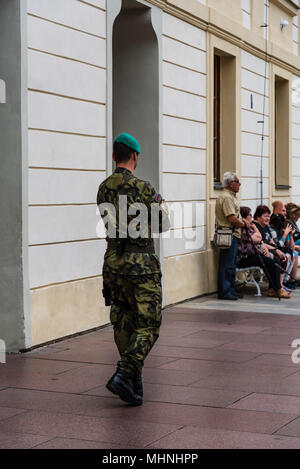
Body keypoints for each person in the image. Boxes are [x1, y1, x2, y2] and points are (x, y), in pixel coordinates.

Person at [97, 132, 170, 406]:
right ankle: (126, 372)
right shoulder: (144, 188)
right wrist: (160, 205)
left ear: (114, 155)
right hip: (141, 265)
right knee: (148, 324)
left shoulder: (103, 187)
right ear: (135, 156)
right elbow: (161, 225)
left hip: (113, 263)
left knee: (124, 319)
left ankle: (133, 384)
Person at [237, 207, 288, 298]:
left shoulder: (249, 227)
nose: (251, 217)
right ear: (244, 217)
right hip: (244, 258)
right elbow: (259, 238)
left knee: (275, 260)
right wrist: (255, 227)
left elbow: (259, 240)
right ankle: (278, 289)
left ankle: (272, 289)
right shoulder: (243, 229)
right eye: (250, 215)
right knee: (270, 261)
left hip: (253, 254)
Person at [215, 172, 249, 300]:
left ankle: (230, 289)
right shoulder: (227, 197)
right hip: (229, 233)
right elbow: (232, 218)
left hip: (233, 233)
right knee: (227, 264)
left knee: (232, 264)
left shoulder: (231, 196)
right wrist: (244, 223)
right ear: (230, 184)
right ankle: (225, 291)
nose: (240, 184)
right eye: (237, 181)